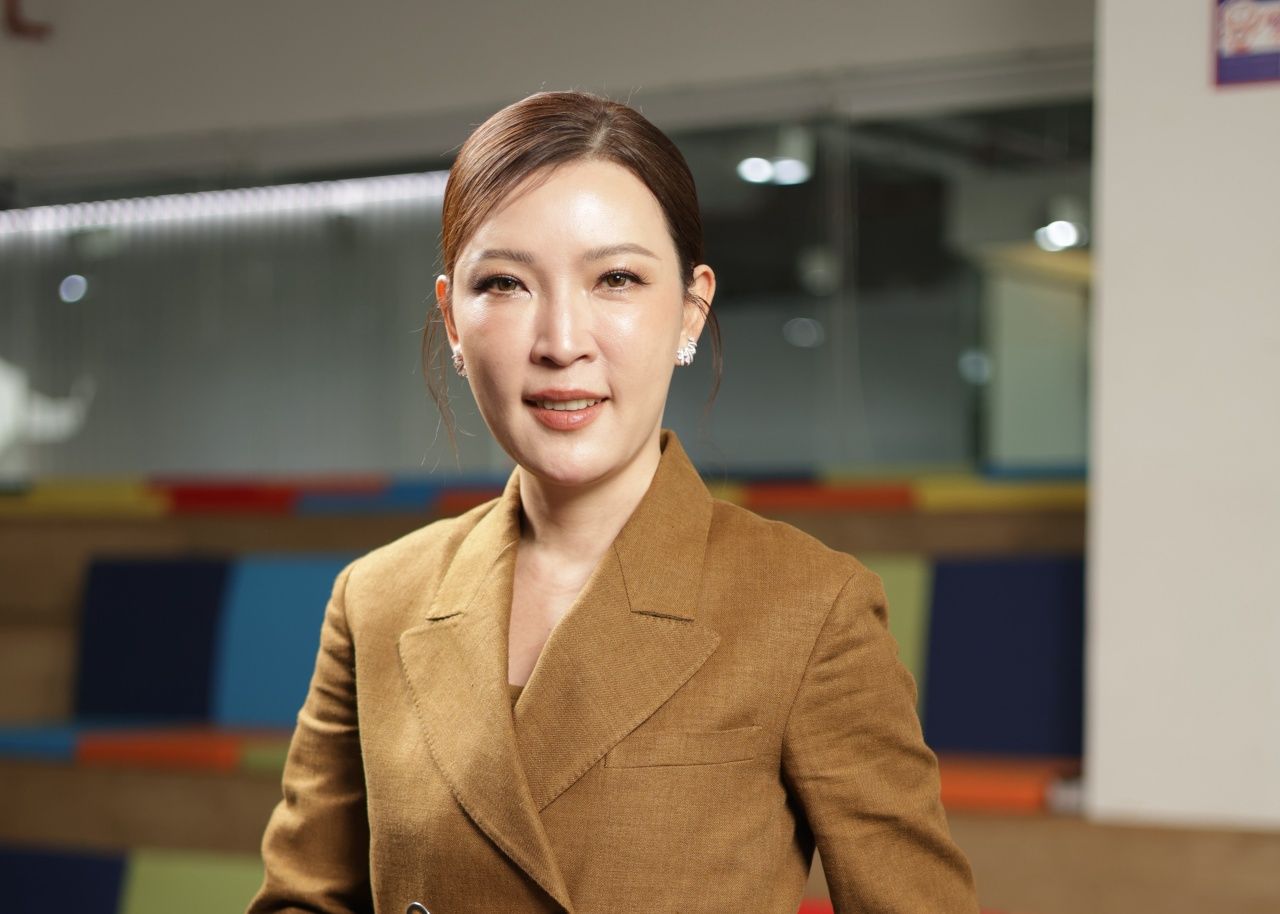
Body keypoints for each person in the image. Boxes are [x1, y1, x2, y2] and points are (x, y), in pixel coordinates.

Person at [247, 89, 980, 914]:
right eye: (506, 284)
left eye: (617, 279)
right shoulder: (377, 600)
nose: (562, 342)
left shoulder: (809, 609)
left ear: (691, 311)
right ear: (453, 320)